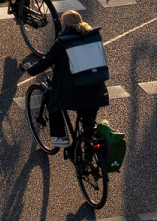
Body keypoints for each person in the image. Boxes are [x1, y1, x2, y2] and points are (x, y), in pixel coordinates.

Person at [21, 10, 110, 147]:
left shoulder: (63, 43)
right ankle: (89, 158)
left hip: (74, 94)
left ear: (64, 25)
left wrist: (29, 68)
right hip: (98, 91)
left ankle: (62, 138)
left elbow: (44, 62)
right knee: (88, 126)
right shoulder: (92, 37)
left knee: (50, 97)